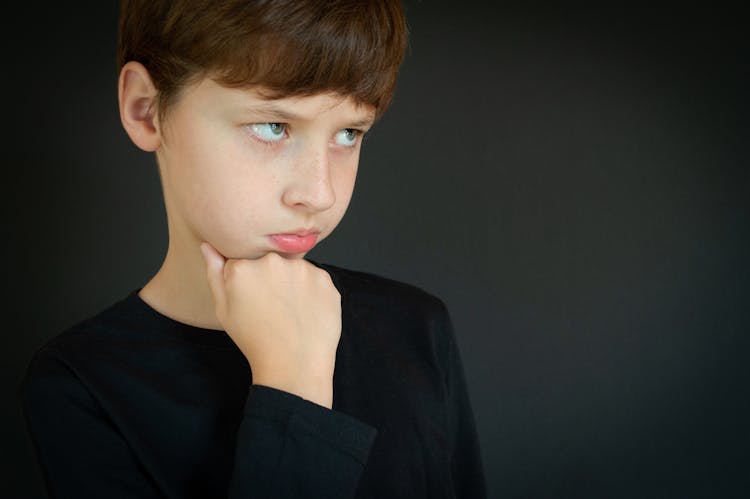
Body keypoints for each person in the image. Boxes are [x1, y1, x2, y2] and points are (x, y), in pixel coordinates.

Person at [20, 1, 487, 497]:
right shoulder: (83, 385)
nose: (319, 193)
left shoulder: (415, 328)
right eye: (273, 126)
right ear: (147, 110)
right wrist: (292, 387)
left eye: (349, 134)